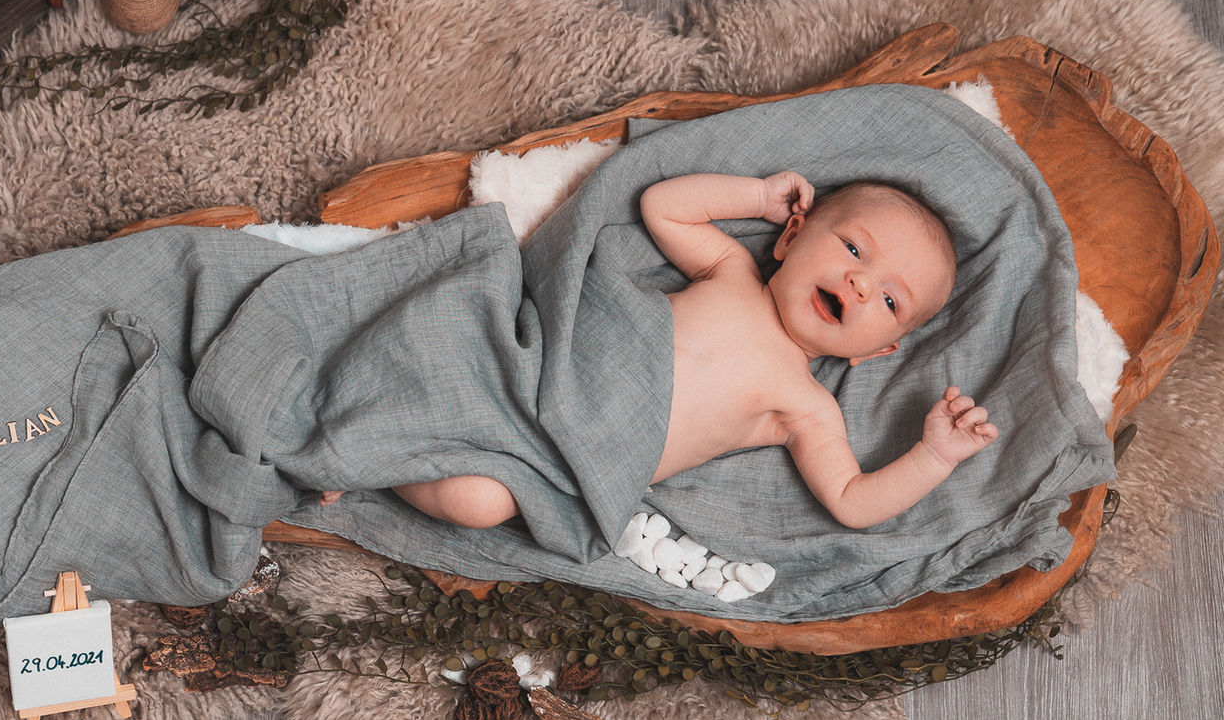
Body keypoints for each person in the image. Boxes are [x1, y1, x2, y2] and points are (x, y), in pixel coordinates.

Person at [322, 171, 998, 531]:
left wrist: (933, 455)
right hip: (535, 366)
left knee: (478, 504)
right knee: (445, 343)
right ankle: (363, 424)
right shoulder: (732, 272)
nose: (859, 281)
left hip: (561, 460)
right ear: (791, 240)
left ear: (878, 351)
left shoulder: (807, 407)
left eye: (888, 299)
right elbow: (664, 206)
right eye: (854, 248)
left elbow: (851, 500)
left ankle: (372, 461)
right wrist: (757, 196)